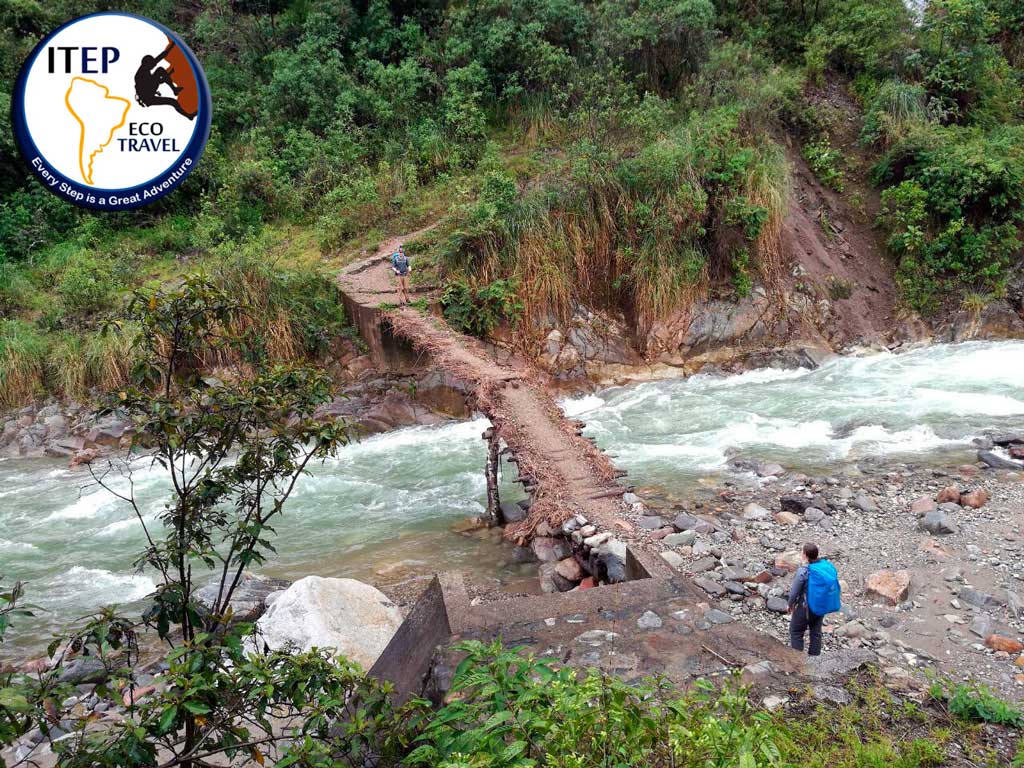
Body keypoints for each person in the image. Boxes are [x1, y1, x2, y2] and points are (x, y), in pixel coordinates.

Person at [787, 542, 840, 656]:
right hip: (820, 605)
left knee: (796, 632)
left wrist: (790, 604)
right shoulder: (824, 566)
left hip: (804, 607)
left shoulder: (804, 571)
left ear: (805, 555)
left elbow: (794, 592)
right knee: (815, 632)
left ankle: (797, 661)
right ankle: (815, 660)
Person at [134, 42, 197, 120]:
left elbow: (161, 56)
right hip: (148, 98)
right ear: (147, 64)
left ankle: (174, 89)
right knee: (172, 101)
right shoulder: (140, 75)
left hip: (150, 91)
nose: (154, 65)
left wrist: (172, 45)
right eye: (152, 64)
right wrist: (168, 75)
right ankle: (189, 116)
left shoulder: (146, 69)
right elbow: (151, 85)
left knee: (160, 70)